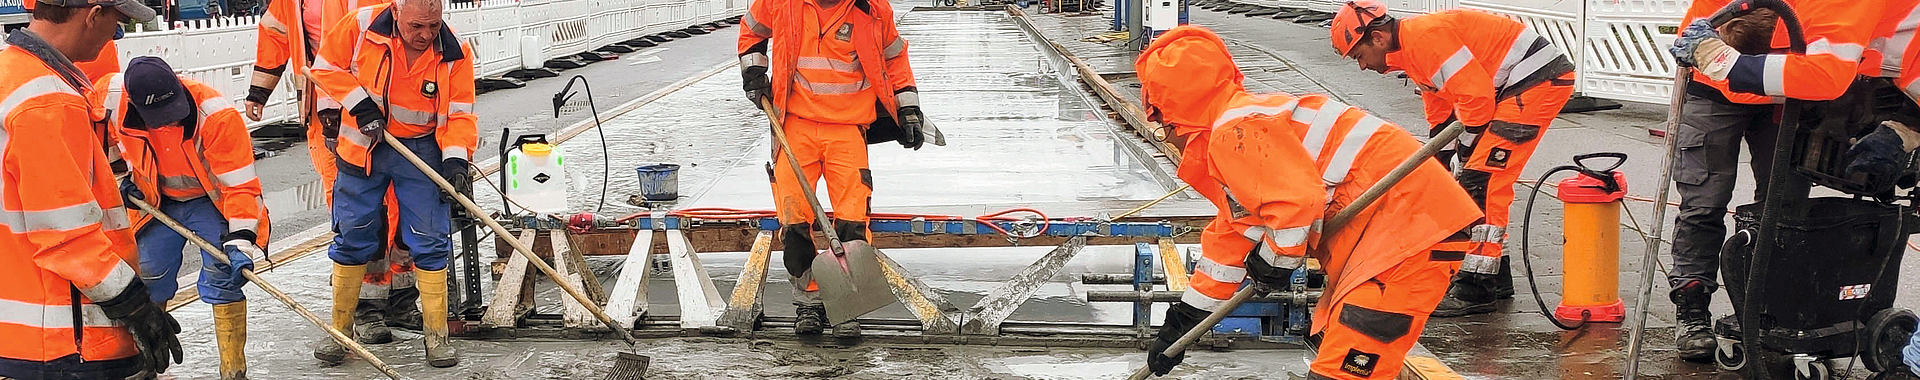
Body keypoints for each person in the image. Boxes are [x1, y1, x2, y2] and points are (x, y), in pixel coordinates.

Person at [1136, 25, 1483, 380]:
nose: (1168, 140)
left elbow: (1296, 205)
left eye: (1162, 127)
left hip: (1407, 237)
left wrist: (1274, 260)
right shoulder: (1247, 129)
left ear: (1175, 115)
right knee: (1345, 361)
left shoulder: (1235, 131)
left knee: (1343, 372)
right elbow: (1231, 240)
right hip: (1397, 235)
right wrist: (1182, 322)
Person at [1328, 0, 1576, 317]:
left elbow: (1475, 99)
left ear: (1377, 38)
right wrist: (1440, 158)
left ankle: (1476, 287)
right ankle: (1496, 277)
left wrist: (1466, 150)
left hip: (1535, 81)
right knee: (1474, 177)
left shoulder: (1423, 39)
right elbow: (1440, 106)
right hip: (1518, 85)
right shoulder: (1409, 50)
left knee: (1482, 180)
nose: (1362, 66)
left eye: (1359, 56)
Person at [0, 0, 184, 378]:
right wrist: (134, 304)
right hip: (64, 339)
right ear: (94, 14)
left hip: (21, 330)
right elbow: (66, 236)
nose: (116, 34)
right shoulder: (48, 99)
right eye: (117, 21)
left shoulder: (12, 75)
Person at [738, 0, 927, 337]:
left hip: (848, 127)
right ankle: (808, 305)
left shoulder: (872, 9)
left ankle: (845, 307)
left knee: (853, 224)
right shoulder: (780, 2)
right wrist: (753, 73)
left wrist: (908, 108)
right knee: (794, 224)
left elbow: (894, 56)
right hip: (793, 124)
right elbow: (752, 29)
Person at [308, 0, 475, 367]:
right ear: (396, 12)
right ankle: (340, 333)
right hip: (362, 147)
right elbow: (325, 67)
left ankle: (437, 338)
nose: (426, 35)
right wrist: (359, 104)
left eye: (433, 25)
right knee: (353, 236)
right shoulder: (361, 26)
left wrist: (456, 159)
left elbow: (459, 113)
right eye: (417, 26)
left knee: (429, 239)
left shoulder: (454, 51)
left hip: (420, 151)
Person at [250, 0, 417, 345]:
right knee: (355, 214)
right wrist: (258, 93)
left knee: (402, 207)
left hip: (384, 115)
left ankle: (402, 294)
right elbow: (275, 35)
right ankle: (366, 305)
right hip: (326, 119)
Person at [94, 56, 267, 380]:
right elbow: (99, 136)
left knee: (223, 272)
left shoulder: (216, 116)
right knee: (146, 273)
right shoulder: (110, 98)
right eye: (156, 119)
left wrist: (242, 237)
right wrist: (119, 176)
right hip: (156, 200)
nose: (165, 125)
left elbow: (241, 188)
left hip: (210, 203)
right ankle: (146, 365)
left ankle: (233, 371)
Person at [1646, 2, 1786, 362]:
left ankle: (1771, 306)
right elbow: (1695, 41)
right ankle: (1692, 308)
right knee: (1703, 204)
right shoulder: (1715, 10)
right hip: (1713, 90)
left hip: (1785, 90)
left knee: (1781, 206)